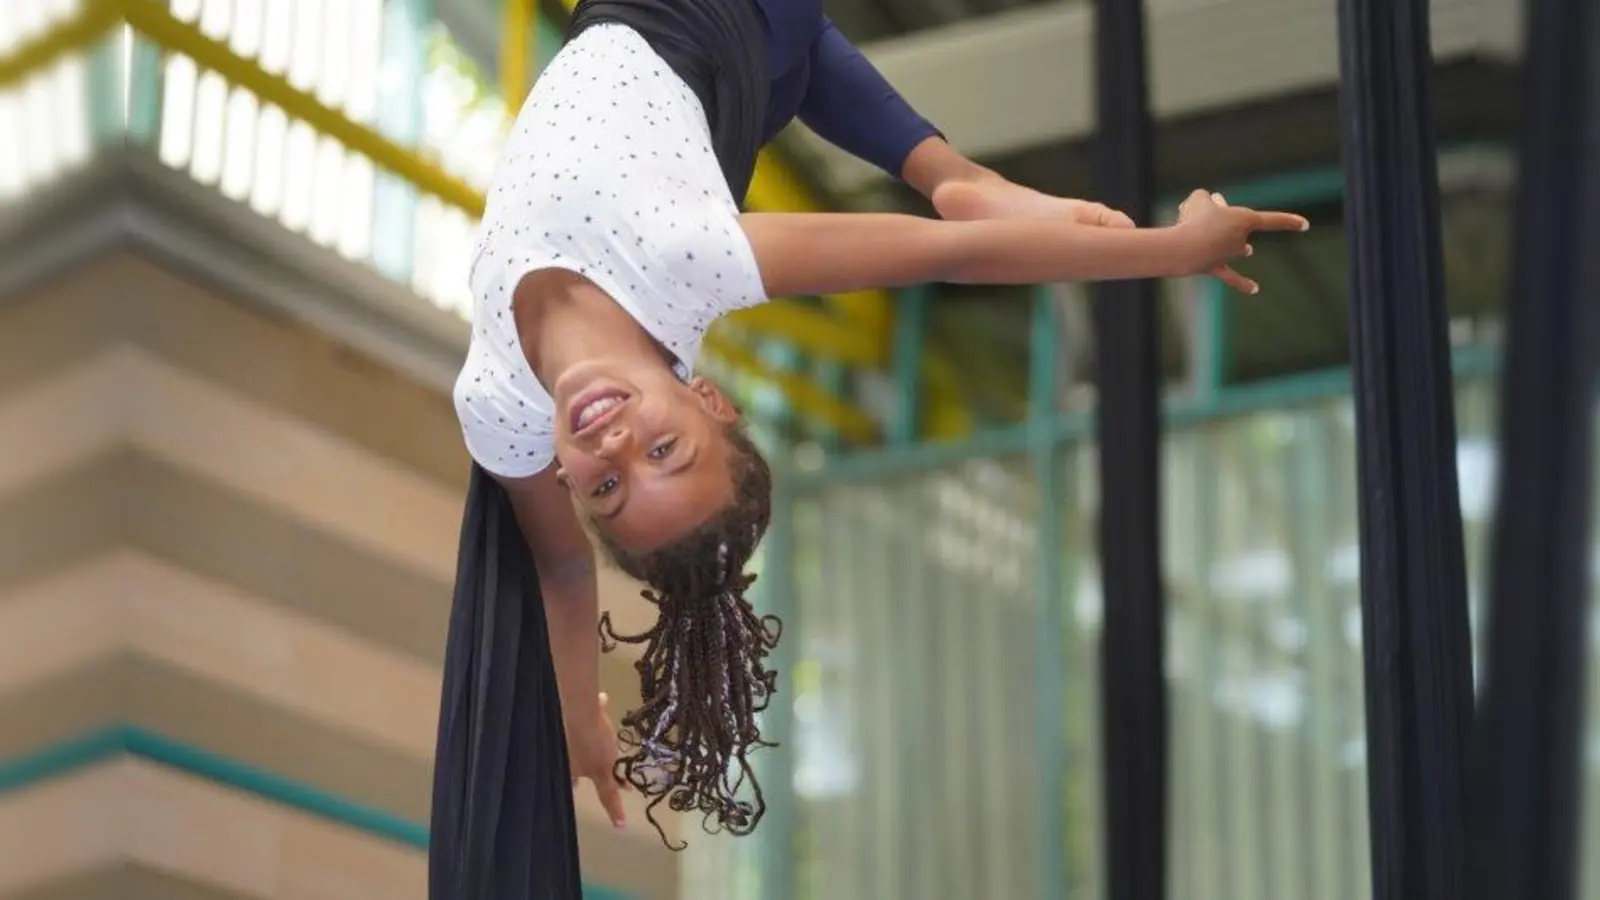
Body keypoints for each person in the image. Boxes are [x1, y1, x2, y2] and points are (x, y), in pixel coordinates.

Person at [429, 0, 1310, 893]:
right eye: (666, 449)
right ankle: (950, 173)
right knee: (794, 36)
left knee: (798, 41)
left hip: (733, 66)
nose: (613, 442)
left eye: (609, 486)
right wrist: (1170, 250)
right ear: (707, 398)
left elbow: (563, 569)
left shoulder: (498, 401)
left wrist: (578, 711)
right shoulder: (684, 255)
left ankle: (949, 170)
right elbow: (949, 259)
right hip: (720, 36)